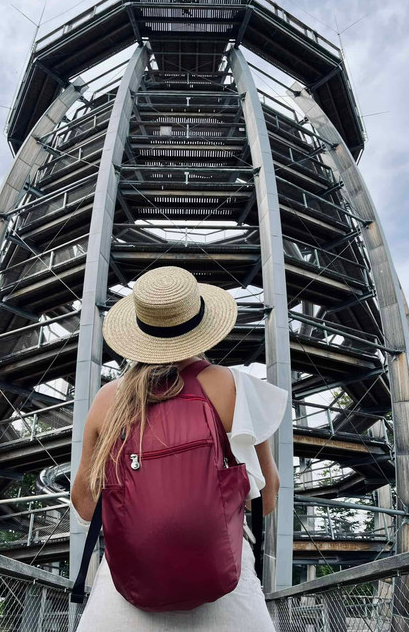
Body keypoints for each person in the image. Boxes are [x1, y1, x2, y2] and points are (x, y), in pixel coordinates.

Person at [71, 266, 288, 630]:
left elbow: (84, 501)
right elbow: (266, 496)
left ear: (138, 332)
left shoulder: (109, 398)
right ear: (202, 326)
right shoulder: (234, 387)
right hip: (226, 590)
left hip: (125, 591)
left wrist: (145, 518)